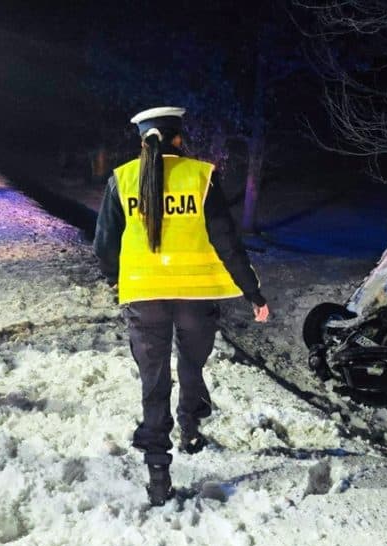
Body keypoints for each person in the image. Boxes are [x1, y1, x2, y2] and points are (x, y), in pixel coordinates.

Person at [94, 106, 270, 506]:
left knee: (153, 381)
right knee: (191, 364)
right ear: (179, 138)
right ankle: (190, 429)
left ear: (143, 141)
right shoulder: (201, 176)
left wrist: (118, 280)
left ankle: (159, 475)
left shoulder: (121, 179)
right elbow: (227, 241)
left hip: (145, 298)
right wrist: (252, 292)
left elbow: (104, 246)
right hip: (195, 297)